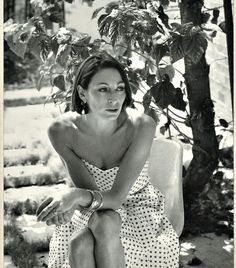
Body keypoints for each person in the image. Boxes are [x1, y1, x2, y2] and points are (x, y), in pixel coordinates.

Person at [36, 52, 179, 268]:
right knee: (83, 238)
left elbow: (116, 198)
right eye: (103, 89)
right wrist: (67, 206)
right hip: (92, 210)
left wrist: (73, 196)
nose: (114, 99)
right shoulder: (62, 131)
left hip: (138, 213)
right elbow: (91, 196)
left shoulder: (141, 126)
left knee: (83, 240)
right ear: (83, 94)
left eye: (120, 88)